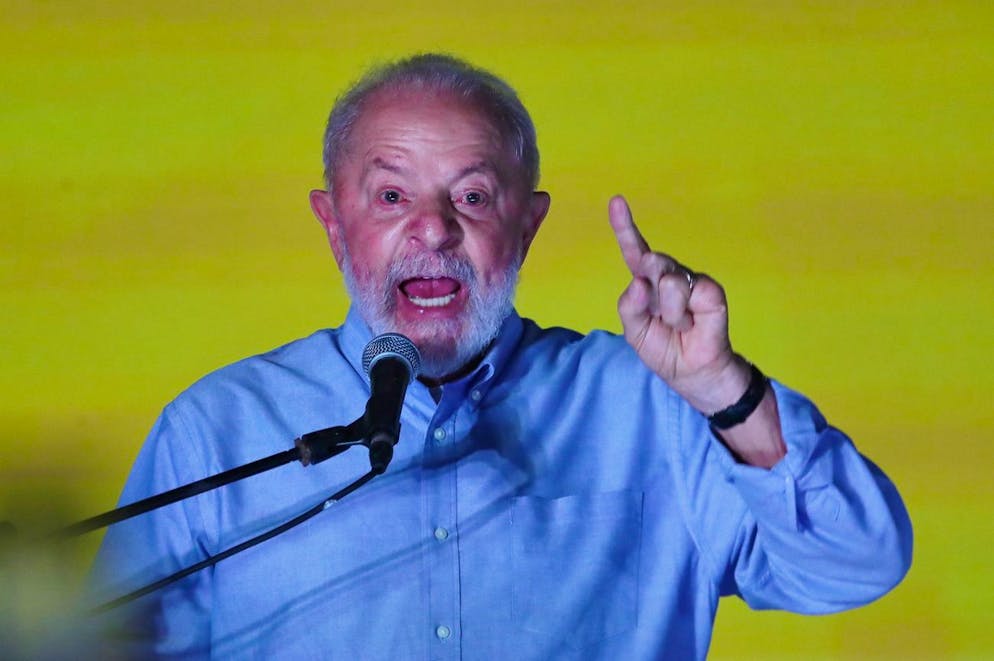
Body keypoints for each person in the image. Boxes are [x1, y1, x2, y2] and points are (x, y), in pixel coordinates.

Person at [90, 53, 912, 659]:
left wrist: (724, 389)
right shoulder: (218, 430)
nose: (434, 227)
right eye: (391, 195)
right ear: (333, 224)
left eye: (474, 196)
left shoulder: (656, 406)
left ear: (527, 225)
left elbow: (857, 562)